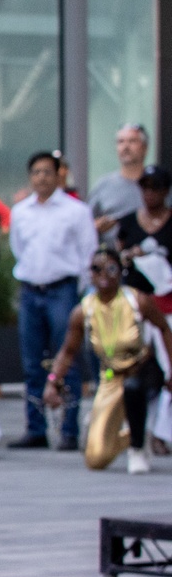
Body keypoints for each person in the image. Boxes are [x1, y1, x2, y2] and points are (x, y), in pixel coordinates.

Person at [46, 248, 172, 473]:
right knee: (96, 458)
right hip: (111, 375)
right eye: (96, 269)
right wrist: (53, 381)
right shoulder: (83, 310)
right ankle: (136, 430)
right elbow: (67, 351)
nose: (104, 275)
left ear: (120, 271)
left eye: (111, 268)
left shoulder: (137, 300)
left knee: (133, 388)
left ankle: (137, 446)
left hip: (141, 369)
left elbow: (164, 329)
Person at [10, 150, 98, 448]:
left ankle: (69, 430)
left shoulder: (76, 211)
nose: (41, 178)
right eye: (36, 172)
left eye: (47, 172)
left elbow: (88, 255)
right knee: (32, 362)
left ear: (59, 174)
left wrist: (82, 292)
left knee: (67, 359)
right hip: (31, 289)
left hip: (63, 290)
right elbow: (19, 249)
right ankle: (35, 427)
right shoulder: (21, 211)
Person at [113, 165, 172, 314]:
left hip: (167, 299)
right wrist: (130, 255)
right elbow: (118, 255)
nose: (149, 192)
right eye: (145, 187)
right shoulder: (129, 221)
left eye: (155, 187)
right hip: (134, 298)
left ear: (165, 190)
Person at [90, 124, 150, 234]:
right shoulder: (103, 186)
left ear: (144, 147)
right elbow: (85, 226)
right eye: (121, 142)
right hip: (111, 249)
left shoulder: (158, 184)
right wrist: (96, 227)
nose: (126, 147)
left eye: (132, 141)